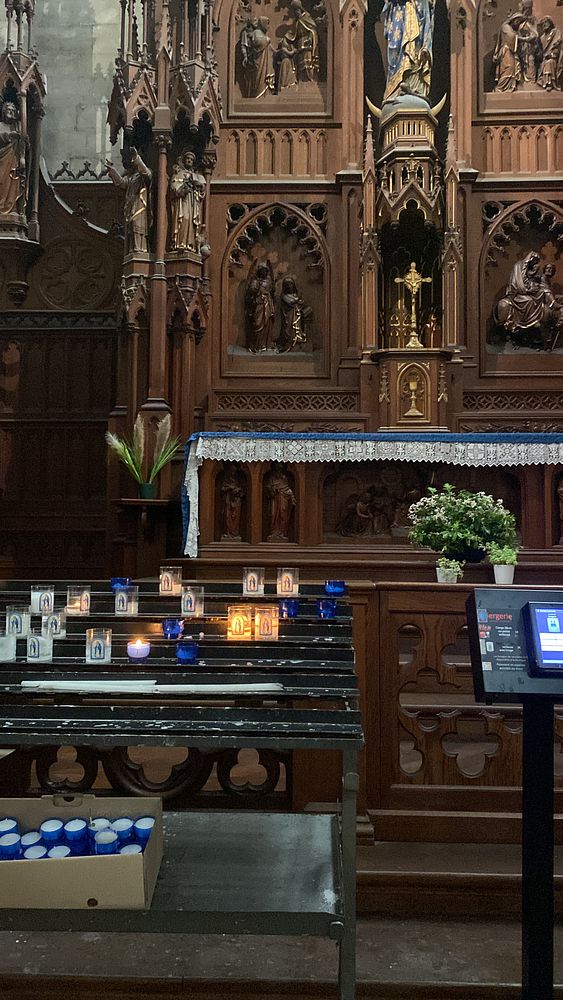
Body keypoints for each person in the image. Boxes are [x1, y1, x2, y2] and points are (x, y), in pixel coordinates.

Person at [381, 0, 435, 104]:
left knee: (416, 56)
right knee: (396, 53)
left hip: (417, 11)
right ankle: (395, 90)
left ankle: (415, 90)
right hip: (398, 14)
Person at [106, 146, 152, 254]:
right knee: (131, 226)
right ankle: (133, 248)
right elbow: (122, 183)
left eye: (134, 159)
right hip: (131, 203)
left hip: (140, 204)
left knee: (138, 224)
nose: (132, 161)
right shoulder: (132, 176)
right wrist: (112, 171)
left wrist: (137, 158)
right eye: (132, 159)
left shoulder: (145, 173)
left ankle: (140, 248)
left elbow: (147, 174)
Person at [169, 151, 206, 252]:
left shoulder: (196, 175)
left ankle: (190, 244)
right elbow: (174, 188)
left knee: (191, 221)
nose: (189, 161)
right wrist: (184, 187)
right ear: (184, 160)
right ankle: (180, 243)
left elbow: (202, 190)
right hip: (182, 202)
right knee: (184, 219)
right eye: (188, 159)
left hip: (192, 203)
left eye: (191, 160)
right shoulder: (179, 174)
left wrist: (198, 186)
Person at [282, 0, 319, 82]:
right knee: (301, 64)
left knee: (308, 63)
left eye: (297, 10)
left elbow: (312, 30)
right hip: (300, 43)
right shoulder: (297, 21)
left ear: (300, 9)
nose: (296, 13)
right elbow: (294, 34)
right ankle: (302, 80)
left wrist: (310, 38)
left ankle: (310, 80)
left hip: (307, 43)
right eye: (294, 11)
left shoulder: (306, 18)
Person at [0, 101, 26, 217]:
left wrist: (22, 157)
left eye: (12, 110)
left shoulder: (18, 126)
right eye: (8, 110)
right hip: (2, 158)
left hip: (14, 159)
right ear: (3, 112)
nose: (10, 112)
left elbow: (26, 142)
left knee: (14, 181)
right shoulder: (0, 125)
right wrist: (10, 136)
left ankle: (12, 207)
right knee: (1, 182)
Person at [240, 16, 275, 98]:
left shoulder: (261, 33)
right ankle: (258, 95)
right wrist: (267, 39)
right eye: (267, 24)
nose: (268, 27)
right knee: (259, 80)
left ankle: (266, 94)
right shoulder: (256, 32)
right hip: (259, 61)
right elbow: (257, 43)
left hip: (265, 61)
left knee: (265, 80)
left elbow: (270, 48)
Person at [244, 260, 276, 352]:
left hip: (268, 304)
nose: (264, 273)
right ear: (259, 271)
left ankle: (266, 344)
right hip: (258, 304)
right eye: (262, 271)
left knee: (268, 324)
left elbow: (272, 291)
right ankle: (256, 345)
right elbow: (250, 292)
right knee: (258, 324)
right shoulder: (255, 281)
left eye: (265, 271)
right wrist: (256, 288)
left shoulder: (269, 281)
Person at [276, 276, 310, 352]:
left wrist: (300, 303)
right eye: (287, 285)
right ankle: (289, 342)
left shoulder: (295, 294)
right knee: (288, 330)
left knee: (298, 328)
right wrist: (297, 300)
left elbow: (299, 303)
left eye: (290, 284)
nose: (289, 286)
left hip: (296, 315)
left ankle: (298, 340)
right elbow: (290, 302)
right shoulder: (284, 295)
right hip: (288, 317)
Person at [266, 466, 296, 541]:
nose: (278, 471)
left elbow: (287, 488)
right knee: (273, 515)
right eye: (277, 468)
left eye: (279, 469)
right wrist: (272, 489)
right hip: (274, 499)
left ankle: (282, 532)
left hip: (283, 498)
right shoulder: (272, 478)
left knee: (283, 513)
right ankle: (273, 532)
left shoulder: (284, 478)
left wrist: (291, 496)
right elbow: (268, 488)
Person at [537, 17, 563, 91]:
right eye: (543, 24)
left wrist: (552, 55)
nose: (545, 24)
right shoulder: (542, 37)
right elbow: (541, 51)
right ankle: (545, 82)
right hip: (544, 58)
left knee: (549, 62)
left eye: (546, 22)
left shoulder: (556, 32)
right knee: (544, 63)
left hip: (554, 57)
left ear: (550, 23)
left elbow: (558, 45)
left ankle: (550, 83)